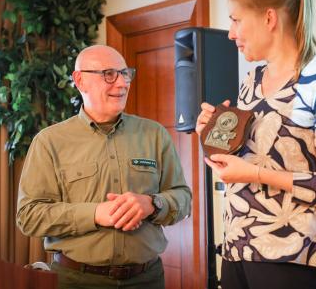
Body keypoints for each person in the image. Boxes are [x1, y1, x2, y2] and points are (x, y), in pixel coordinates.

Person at [196, 0, 316, 289]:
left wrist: (256, 175)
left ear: (269, 18)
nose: (231, 33)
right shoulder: (251, 83)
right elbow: (250, 160)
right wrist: (215, 131)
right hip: (237, 251)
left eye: (236, 20)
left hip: (298, 259)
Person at [16, 45, 192, 289]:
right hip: (76, 281)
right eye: (109, 74)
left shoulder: (155, 134)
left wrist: (152, 204)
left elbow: (183, 198)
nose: (122, 83)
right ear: (80, 80)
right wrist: (96, 214)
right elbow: (29, 216)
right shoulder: (49, 142)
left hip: (147, 280)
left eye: (125, 73)